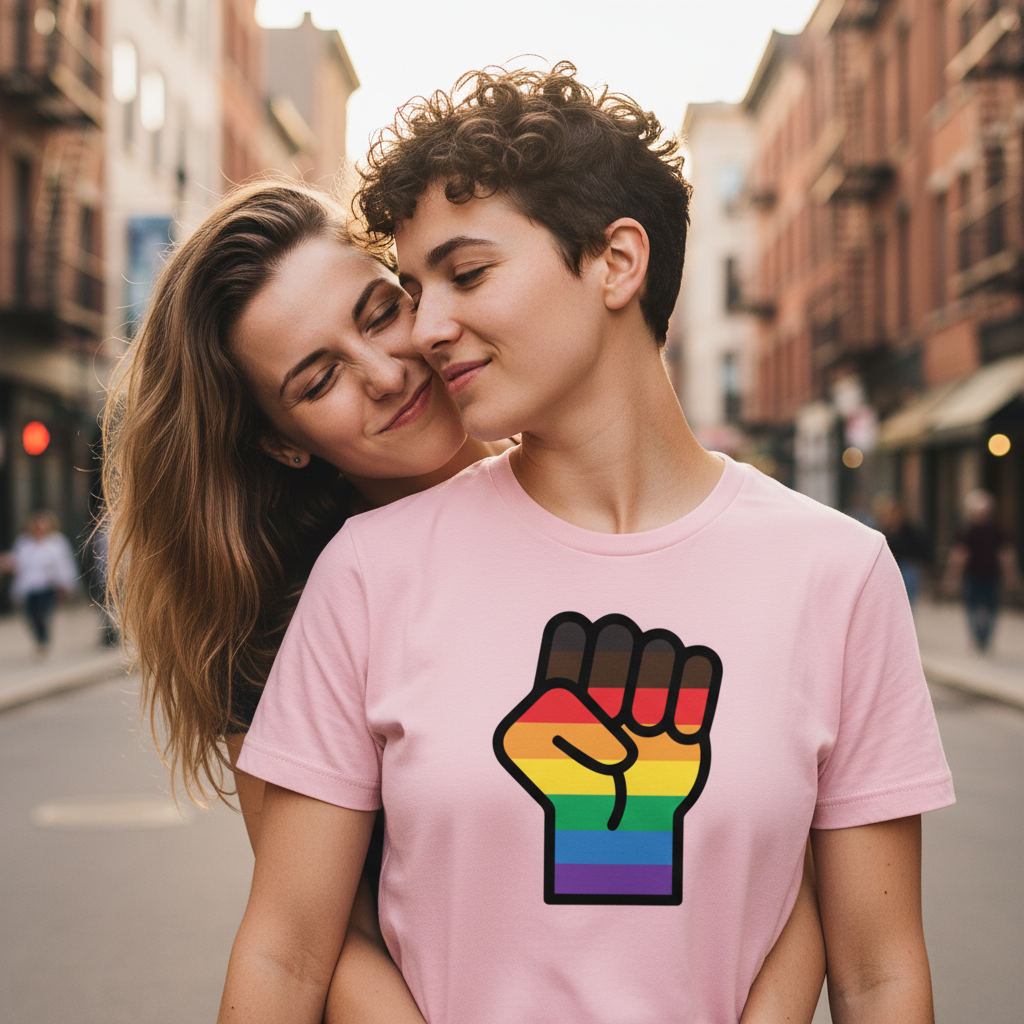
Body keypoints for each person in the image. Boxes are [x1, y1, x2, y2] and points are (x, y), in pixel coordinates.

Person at [224, 64, 953, 1023]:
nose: (426, 330)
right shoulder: (368, 573)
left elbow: (878, 973)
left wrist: (626, 830)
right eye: (412, 288)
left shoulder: (839, 574)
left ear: (616, 261)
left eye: (467, 274)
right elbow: (285, 959)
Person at [102, 180, 824, 1024]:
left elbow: (785, 857)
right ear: (280, 442)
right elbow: (316, 942)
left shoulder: (647, 516)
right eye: (320, 378)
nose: (385, 374)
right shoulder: (310, 612)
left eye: (381, 313)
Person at [943, 488, 1021, 652]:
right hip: (973, 575)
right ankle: (979, 637)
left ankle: (984, 637)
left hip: (990, 576)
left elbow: (1005, 554)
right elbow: (960, 555)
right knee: (973, 607)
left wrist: (1011, 574)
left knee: (989, 608)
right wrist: (953, 576)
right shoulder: (968, 530)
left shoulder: (995, 530)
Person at [3, 510, 78, 656]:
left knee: (42, 614)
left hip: (47, 586)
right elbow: (18, 564)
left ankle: (44, 641)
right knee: (30, 616)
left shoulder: (56, 542)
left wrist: (67, 585)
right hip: (29, 588)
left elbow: (64, 565)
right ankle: (39, 640)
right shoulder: (23, 543)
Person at [876, 496, 930, 608]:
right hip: (890, 567)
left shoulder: (908, 530)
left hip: (907, 567)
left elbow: (920, 547)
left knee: (908, 600)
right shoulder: (884, 531)